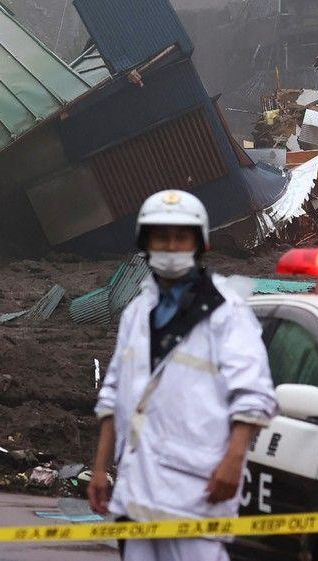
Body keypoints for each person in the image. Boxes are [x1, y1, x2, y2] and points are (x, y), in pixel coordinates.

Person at [88, 190, 277, 561]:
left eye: (181, 237)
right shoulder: (137, 312)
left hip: (197, 493)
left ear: (200, 243)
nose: (171, 247)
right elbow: (113, 393)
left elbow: (254, 395)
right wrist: (99, 468)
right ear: (146, 243)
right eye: (161, 237)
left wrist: (233, 461)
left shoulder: (227, 311)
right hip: (137, 492)